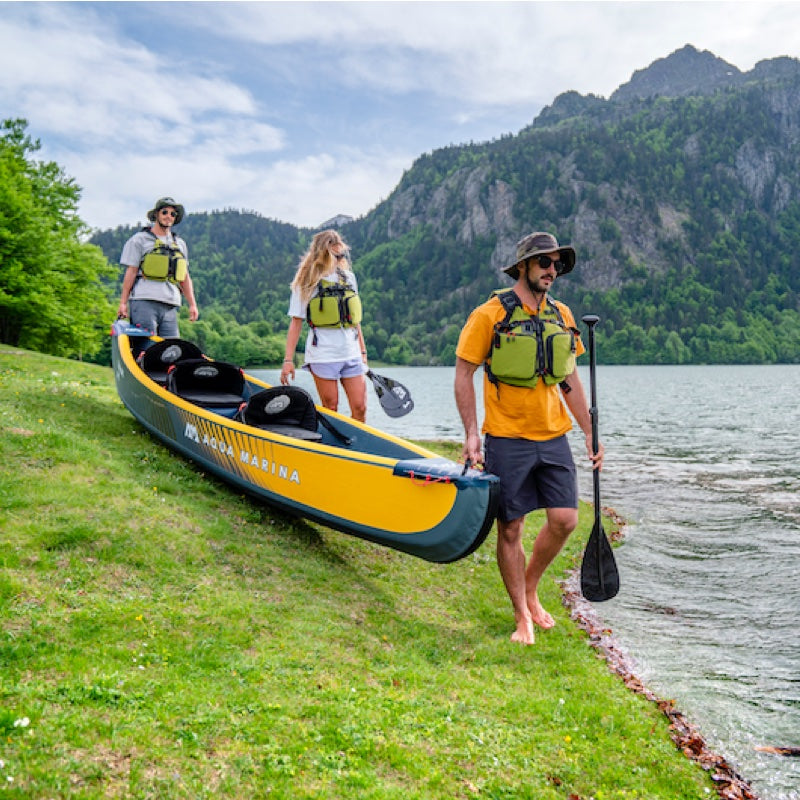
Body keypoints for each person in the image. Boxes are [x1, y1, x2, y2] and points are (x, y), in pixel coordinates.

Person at [454, 231, 604, 646]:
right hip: (506, 437)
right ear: (522, 266)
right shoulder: (489, 315)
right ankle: (521, 615)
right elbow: (463, 372)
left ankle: (532, 586)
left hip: (553, 435)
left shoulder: (562, 315)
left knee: (565, 519)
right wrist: (471, 433)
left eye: (556, 264)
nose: (551, 271)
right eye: (544, 263)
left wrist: (590, 433)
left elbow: (568, 378)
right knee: (511, 529)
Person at [280, 229, 368, 421]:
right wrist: (288, 360)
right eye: (335, 255)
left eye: (341, 255)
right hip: (323, 354)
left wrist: (363, 352)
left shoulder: (349, 278)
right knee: (331, 407)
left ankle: (354, 449)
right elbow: (295, 323)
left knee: (360, 407)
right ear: (323, 254)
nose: (340, 259)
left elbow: (355, 320)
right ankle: (330, 448)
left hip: (351, 353)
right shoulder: (306, 282)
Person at [117, 196, 199, 338]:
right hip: (144, 301)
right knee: (146, 348)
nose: (169, 216)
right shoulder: (139, 240)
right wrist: (123, 303)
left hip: (170, 304)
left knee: (171, 351)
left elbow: (185, 277)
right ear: (156, 214)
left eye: (173, 214)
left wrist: (192, 304)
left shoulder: (180, 244)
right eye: (165, 212)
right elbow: (131, 272)